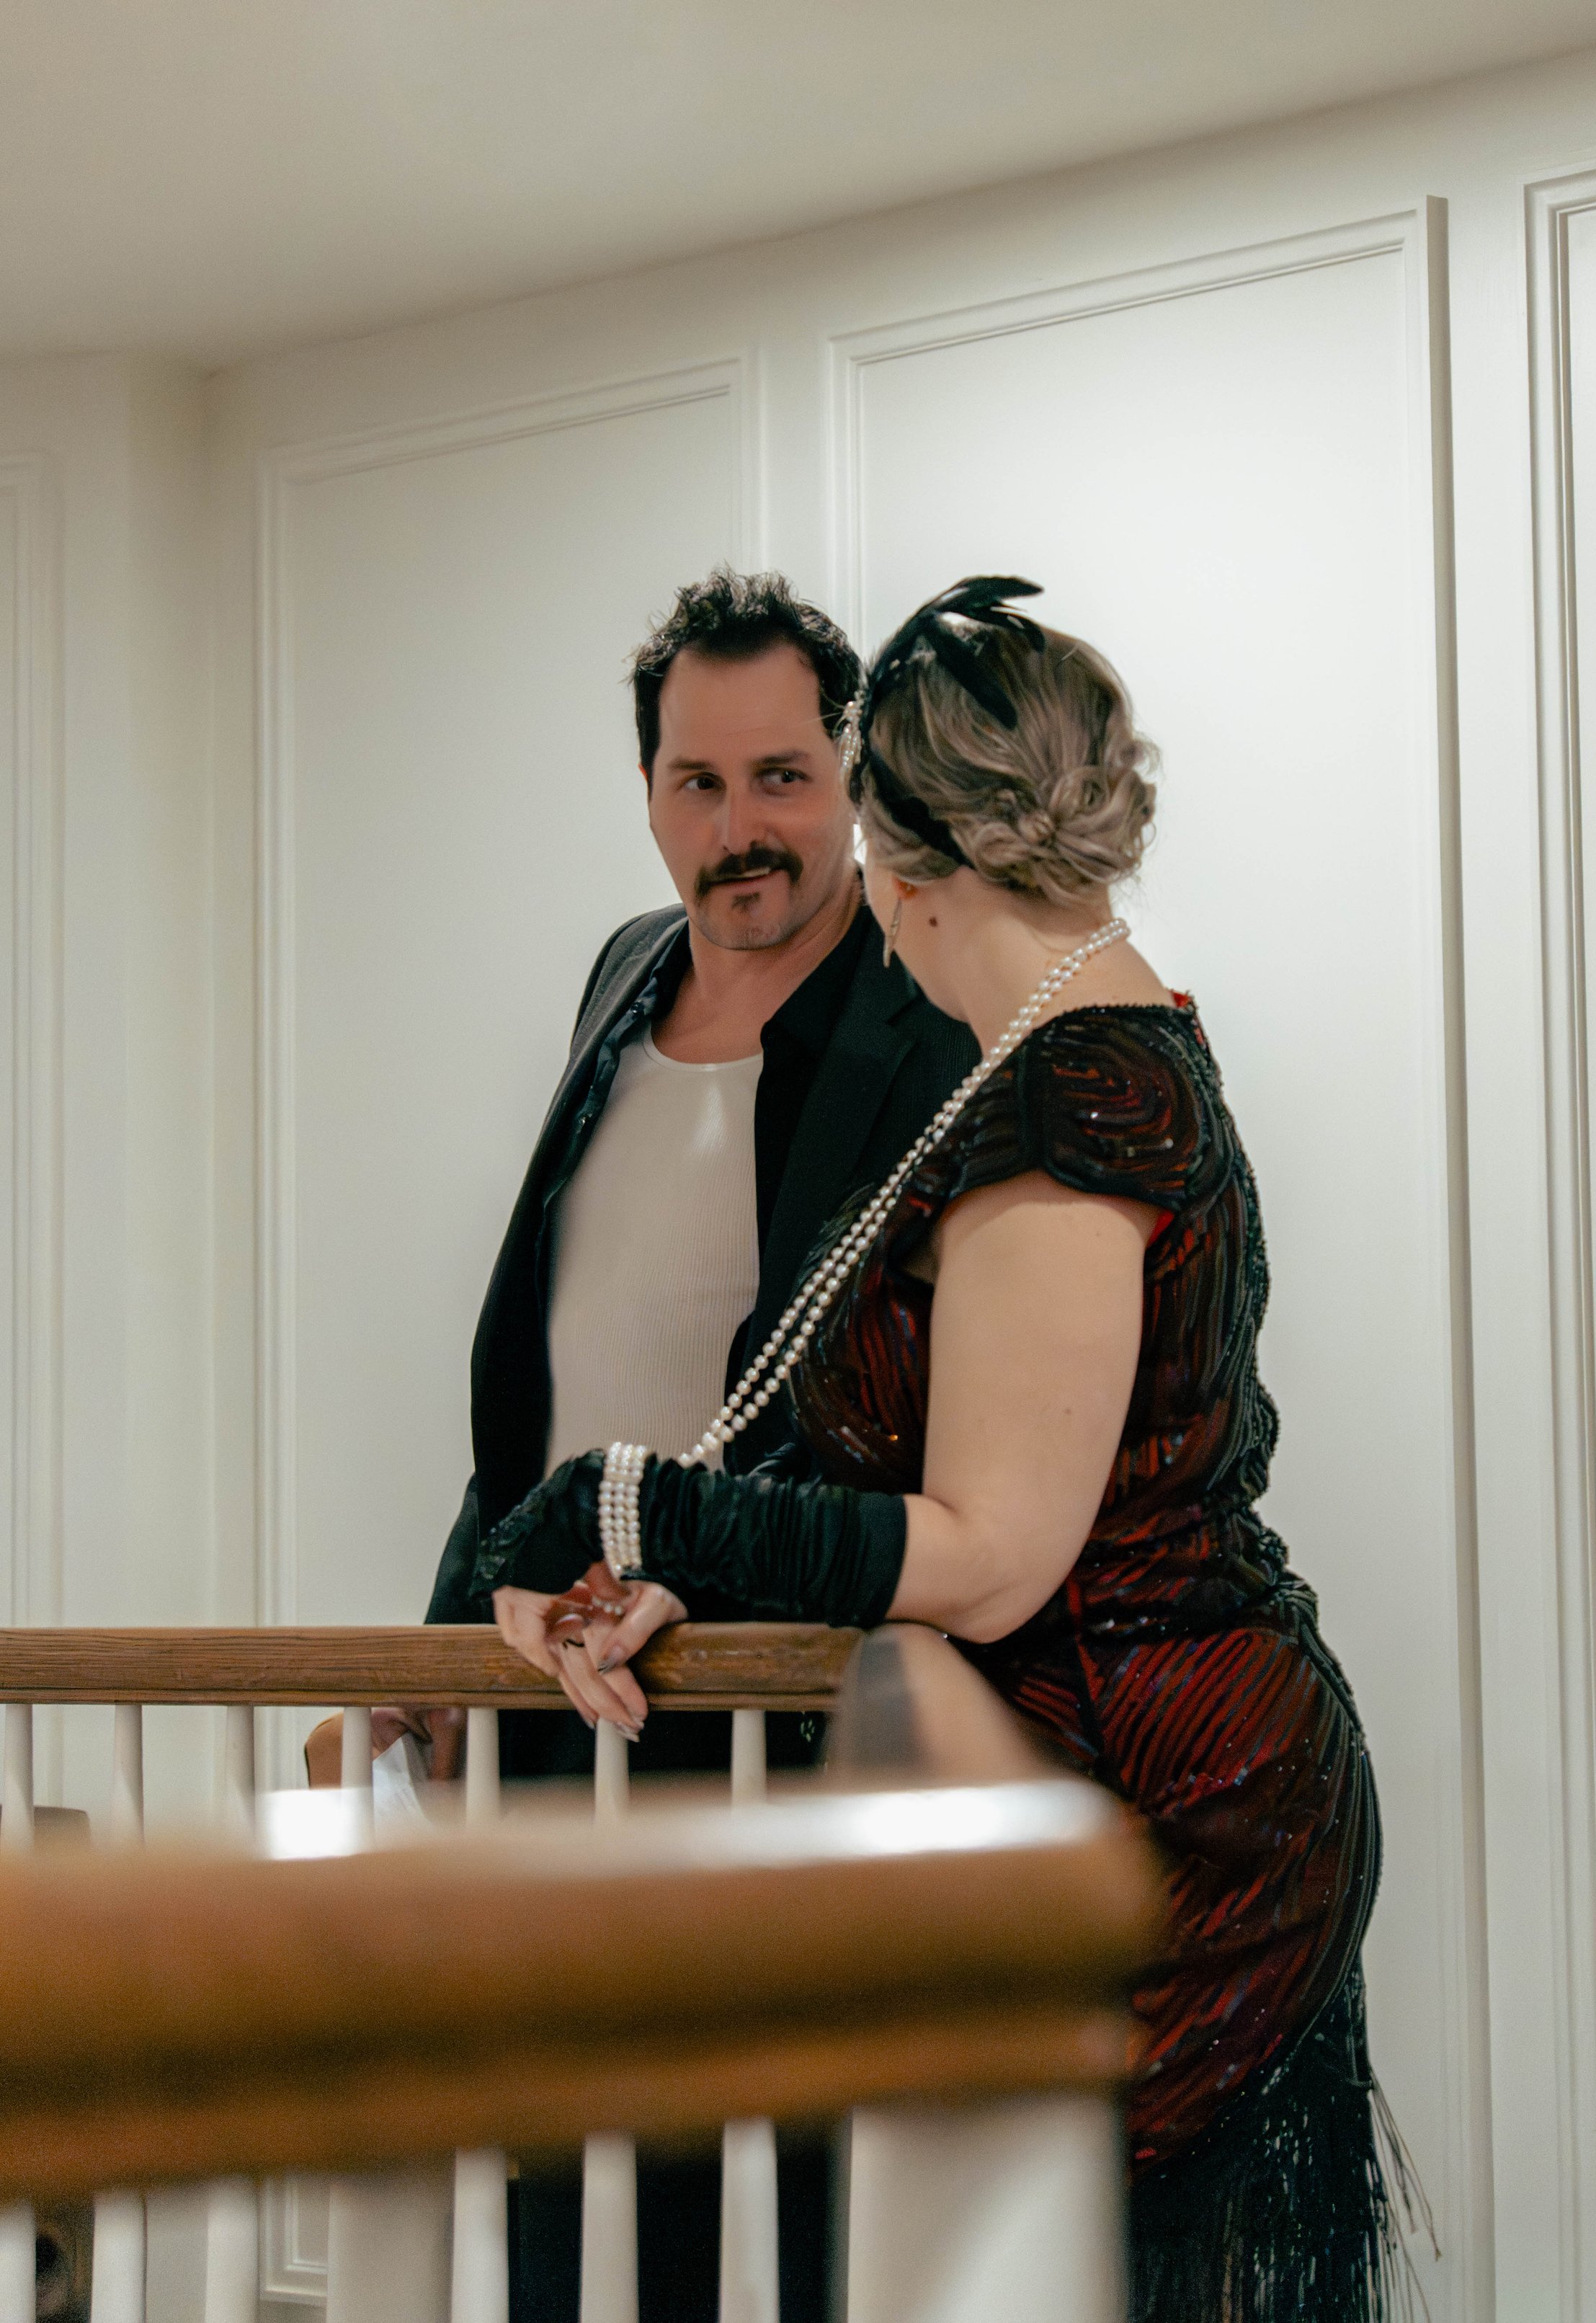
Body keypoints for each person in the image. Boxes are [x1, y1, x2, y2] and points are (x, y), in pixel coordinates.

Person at [479, 579, 1409, 2322]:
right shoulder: (1063, 1054)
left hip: (1174, 1819)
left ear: (898, 864)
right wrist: (663, 1550)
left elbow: (989, 1544)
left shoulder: (1072, 1086)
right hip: (1121, 1776)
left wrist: (610, 1498)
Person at [407, 567, 977, 2323]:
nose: (740, 830)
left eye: (782, 777)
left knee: (776, 2228)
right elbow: (546, 1381)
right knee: (560, 2215)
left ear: (852, 775)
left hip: (760, 1703)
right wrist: (435, 1650)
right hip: (546, 1697)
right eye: (696, 782)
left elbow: (901, 1402)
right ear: (649, 789)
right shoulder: (615, 976)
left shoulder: (927, 1009)